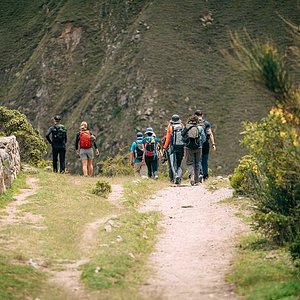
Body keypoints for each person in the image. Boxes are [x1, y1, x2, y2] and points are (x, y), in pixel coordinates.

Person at [182, 115, 206, 185]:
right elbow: (203, 138)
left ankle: (192, 175)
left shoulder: (187, 127)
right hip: (198, 147)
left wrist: (186, 142)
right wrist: (200, 143)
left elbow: (182, 135)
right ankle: (197, 181)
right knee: (197, 163)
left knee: (190, 163)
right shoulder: (200, 128)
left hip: (188, 147)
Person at [195, 110, 216, 181]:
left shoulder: (194, 123)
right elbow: (210, 134)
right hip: (206, 144)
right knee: (205, 159)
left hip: (197, 144)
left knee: (198, 159)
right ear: (202, 115)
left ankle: (200, 173)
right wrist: (213, 144)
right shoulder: (206, 123)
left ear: (195, 115)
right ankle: (205, 176)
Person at [163, 114, 185, 184]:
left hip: (173, 148)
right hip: (181, 147)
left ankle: (176, 176)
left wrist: (165, 147)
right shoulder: (182, 126)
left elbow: (168, 139)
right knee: (179, 164)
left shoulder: (170, 127)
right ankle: (179, 175)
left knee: (173, 164)